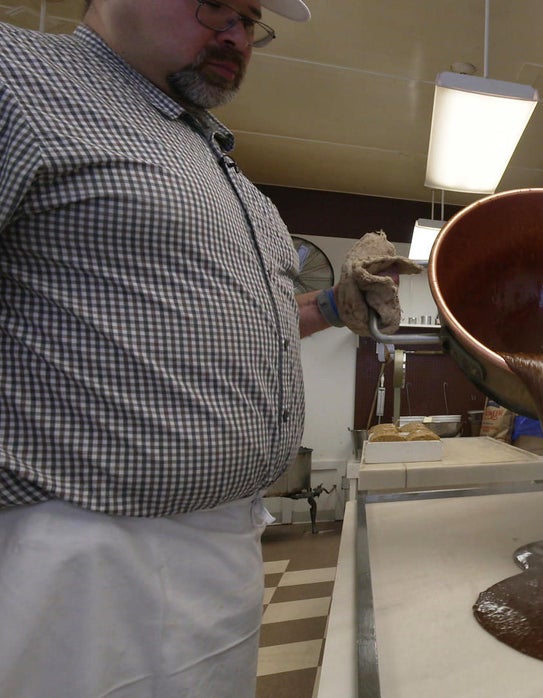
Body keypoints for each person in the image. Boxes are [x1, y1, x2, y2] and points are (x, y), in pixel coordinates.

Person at [0, 1, 414, 695]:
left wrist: (331, 307)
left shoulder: (215, 163)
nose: (235, 35)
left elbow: (234, 323)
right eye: (215, 4)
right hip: (82, 553)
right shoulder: (19, 77)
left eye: (250, 20)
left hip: (226, 540)